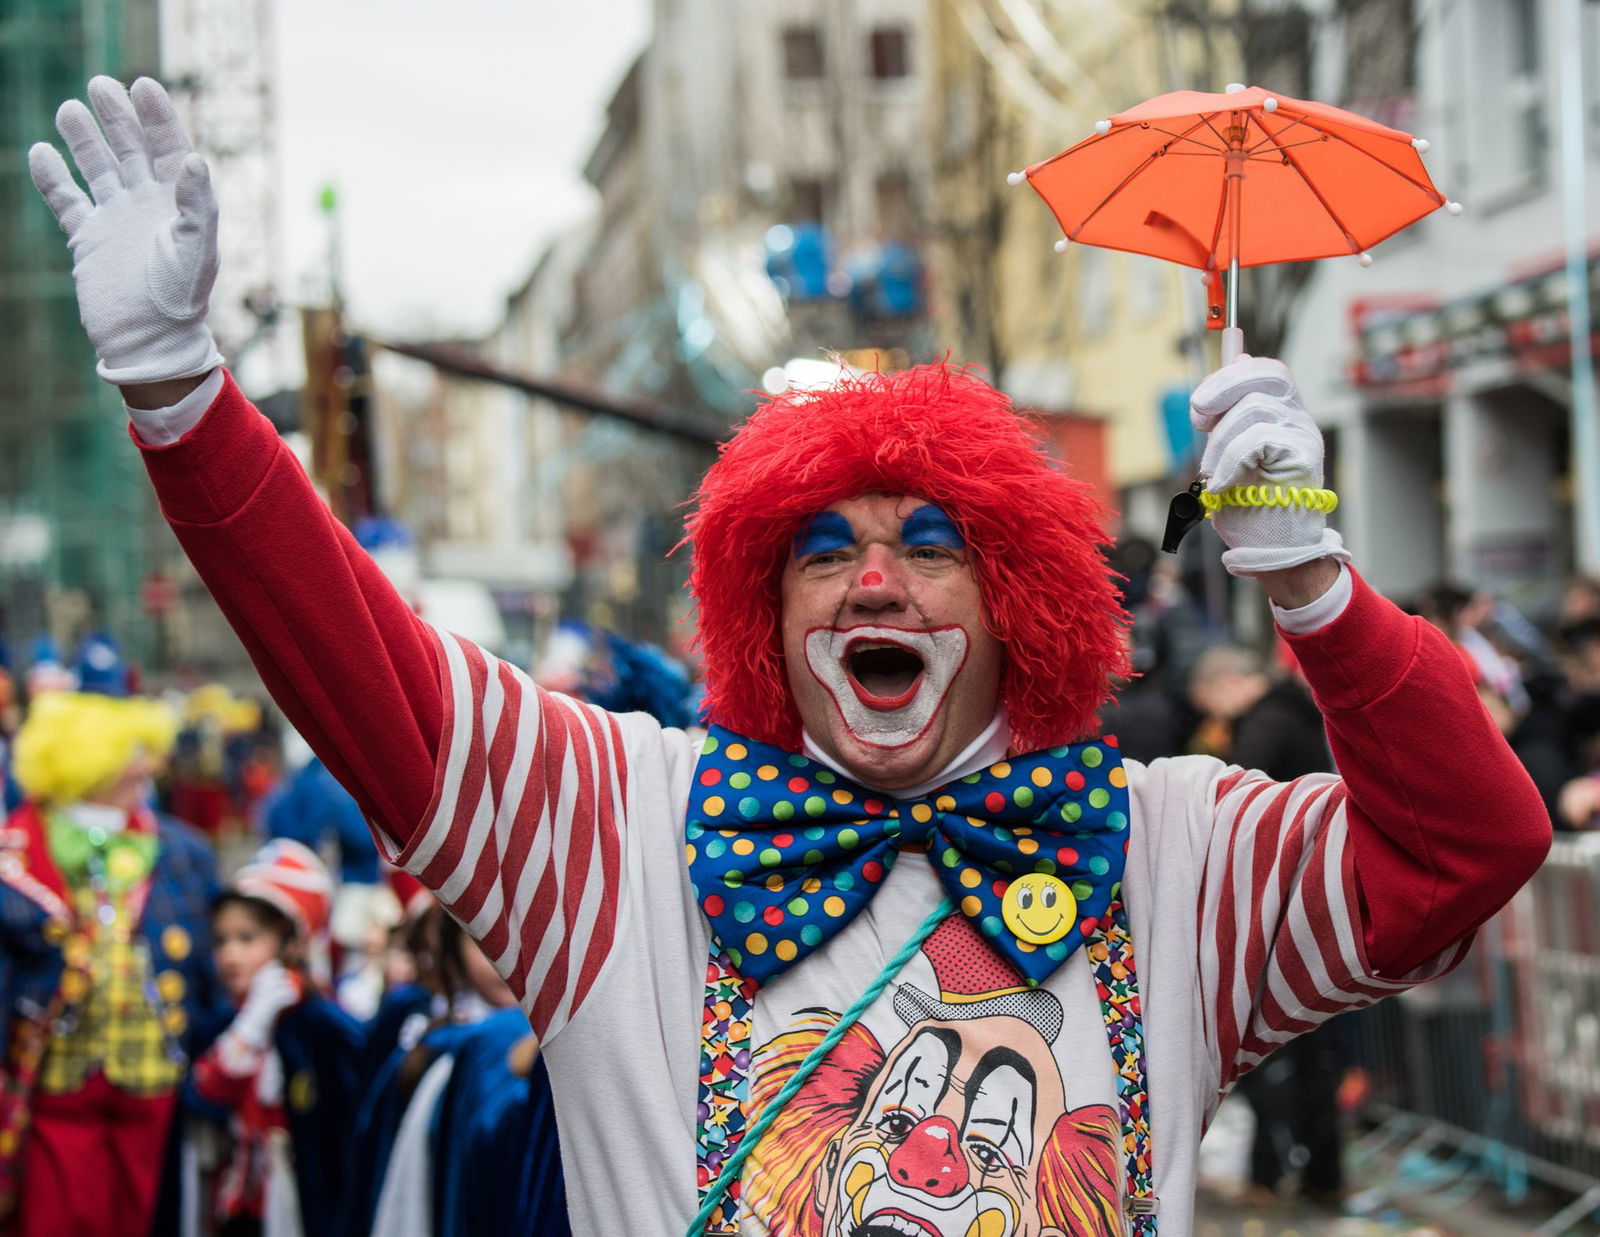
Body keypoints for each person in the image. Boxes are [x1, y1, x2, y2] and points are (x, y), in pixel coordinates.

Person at [28, 76, 1552, 1234]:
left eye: (928, 541)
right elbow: (365, 669)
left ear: (1021, 595)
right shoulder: (612, 823)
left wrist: (1317, 588)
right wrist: (183, 401)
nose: (872, 582)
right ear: (760, 609)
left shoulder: (1174, 846)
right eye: (822, 549)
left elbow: (1470, 843)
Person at [0, 690, 223, 1236]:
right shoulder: (16, 851)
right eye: (131, 750)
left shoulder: (182, 848)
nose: (146, 763)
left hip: (155, 1071)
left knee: (148, 1213)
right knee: (56, 1216)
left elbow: (207, 966)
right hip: (55, 1077)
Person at [183, 838, 361, 1237]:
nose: (230, 955)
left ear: (293, 942)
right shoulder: (216, 1026)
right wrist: (250, 1027)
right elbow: (202, 1100)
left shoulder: (326, 1029)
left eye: (247, 939)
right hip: (232, 1214)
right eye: (221, 940)